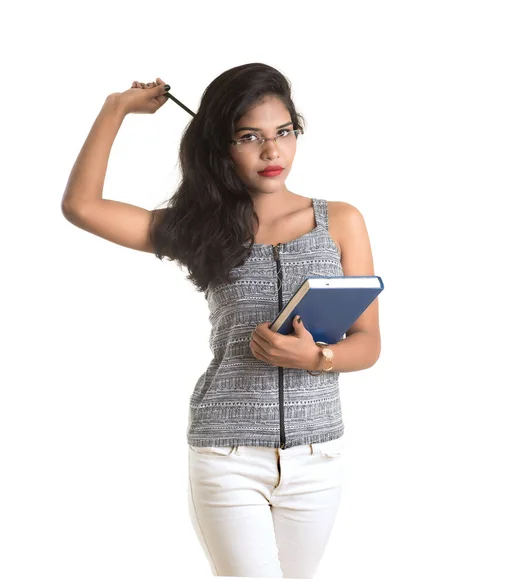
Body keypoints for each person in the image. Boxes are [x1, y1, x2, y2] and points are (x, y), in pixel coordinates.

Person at [61, 63, 381, 578]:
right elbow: (81, 206)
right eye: (249, 137)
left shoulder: (340, 221)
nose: (272, 151)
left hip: (318, 456)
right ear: (221, 147)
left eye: (283, 133)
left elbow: (368, 344)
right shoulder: (198, 228)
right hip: (227, 453)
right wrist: (115, 108)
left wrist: (317, 357)